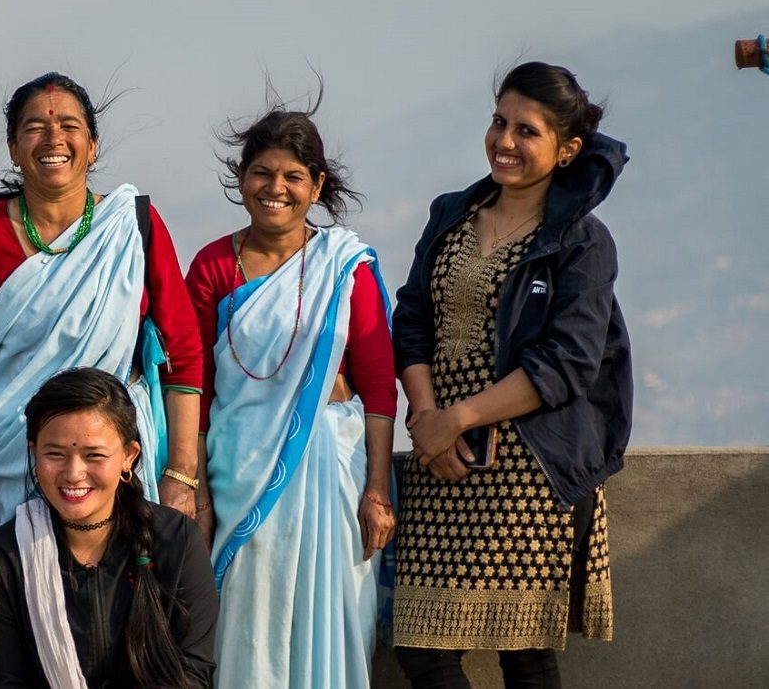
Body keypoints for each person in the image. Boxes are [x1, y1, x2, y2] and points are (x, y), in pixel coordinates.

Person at [391, 62, 631, 687]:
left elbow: (568, 362)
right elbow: (413, 318)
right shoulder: (451, 214)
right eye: (500, 122)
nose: (505, 141)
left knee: (523, 651)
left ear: (567, 148)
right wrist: (426, 421)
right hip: (439, 463)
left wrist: (459, 419)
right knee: (422, 648)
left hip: (526, 468)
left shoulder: (581, 240)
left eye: (528, 131)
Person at [0, 72, 205, 537]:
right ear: (14, 148)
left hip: (112, 463)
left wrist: (180, 475)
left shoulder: (133, 225)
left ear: (93, 146)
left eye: (70, 126)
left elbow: (185, 357)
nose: (53, 137)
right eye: (34, 127)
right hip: (13, 459)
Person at [185, 104, 397, 687]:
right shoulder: (211, 267)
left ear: (317, 185)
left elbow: (379, 386)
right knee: (249, 614)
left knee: (332, 616)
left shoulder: (343, 265)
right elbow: (193, 389)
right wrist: (199, 492)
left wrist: (376, 491)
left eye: (293, 177)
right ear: (241, 178)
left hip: (332, 474)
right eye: (261, 173)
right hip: (239, 469)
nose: (275, 189)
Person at [0, 367, 218, 688]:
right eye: (55, 454)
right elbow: (7, 680)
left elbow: (193, 670)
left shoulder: (176, 540)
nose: (74, 473)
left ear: (128, 456)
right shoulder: (6, 556)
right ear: (33, 452)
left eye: (94, 455)